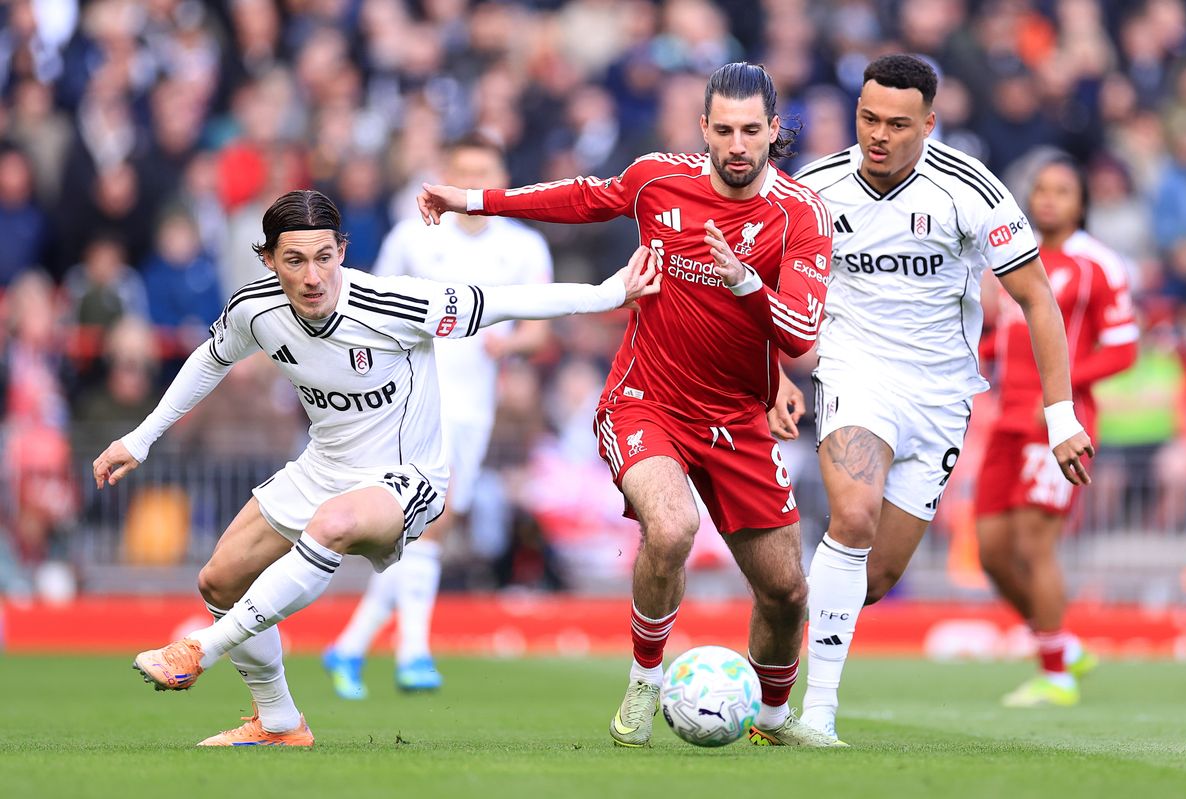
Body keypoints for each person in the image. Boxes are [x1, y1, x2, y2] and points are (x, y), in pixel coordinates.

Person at [93, 189, 661, 746]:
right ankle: (279, 722)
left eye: (324, 257)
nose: (312, 276)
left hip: (407, 475)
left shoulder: (393, 303)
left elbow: (505, 301)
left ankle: (202, 649)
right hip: (322, 466)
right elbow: (209, 359)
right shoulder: (255, 310)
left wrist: (606, 293)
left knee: (332, 525)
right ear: (268, 259)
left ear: (342, 250)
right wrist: (140, 440)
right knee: (218, 579)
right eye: (294, 260)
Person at [418, 62, 835, 748]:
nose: (736, 144)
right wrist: (471, 199)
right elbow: (580, 197)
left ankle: (772, 718)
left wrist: (743, 285)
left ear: (774, 132)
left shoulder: (798, 214)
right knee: (670, 528)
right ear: (703, 128)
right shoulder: (657, 178)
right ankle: (644, 683)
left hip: (738, 419)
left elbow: (800, 333)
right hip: (647, 401)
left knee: (787, 589)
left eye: (751, 131)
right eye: (723, 129)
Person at [780, 55, 1094, 745]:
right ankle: (813, 714)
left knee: (880, 572)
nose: (878, 135)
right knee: (852, 517)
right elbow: (773, 287)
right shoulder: (815, 188)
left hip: (942, 395)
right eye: (867, 118)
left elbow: (1037, 299)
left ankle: (775, 638)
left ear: (929, 122)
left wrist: (1061, 417)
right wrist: (774, 372)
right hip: (855, 371)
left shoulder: (970, 189)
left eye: (897, 123)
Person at [322, 135, 554, 697]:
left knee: (425, 527)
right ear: (444, 175)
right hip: (413, 399)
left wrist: (513, 346)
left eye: (485, 171)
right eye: (464, 170)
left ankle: (349, 648)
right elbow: (366, 306)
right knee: (431, 520)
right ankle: (413, 654)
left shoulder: (524, 246)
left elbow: (538, 328)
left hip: (476, 404)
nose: (474, 180)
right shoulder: (412, 236)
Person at [976, 155, 1138, 707]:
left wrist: (1059, 389)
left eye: (1061, 191)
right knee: (993, 553)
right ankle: (1063, 645)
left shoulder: (1098, 265)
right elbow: (1005, 338)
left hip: (1057, 424)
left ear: (1081, 203)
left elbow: (1123, 348)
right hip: (1006, 419)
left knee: (1033, 543)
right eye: (1039, 190)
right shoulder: (1014, 259)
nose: (1047, 200)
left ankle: (1056, 676)